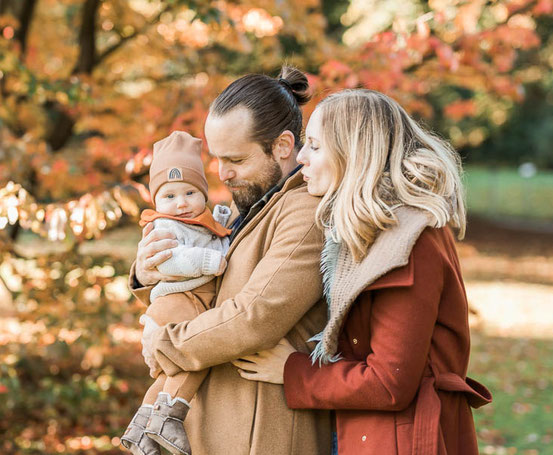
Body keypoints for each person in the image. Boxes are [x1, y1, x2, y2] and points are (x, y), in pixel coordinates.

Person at [231, 89, 492, 454]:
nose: (301, 157)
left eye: (316, 146)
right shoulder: (363, 230)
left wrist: (293, 370)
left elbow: (389, 382)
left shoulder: (410, 241)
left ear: (355, 153)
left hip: (404, 440)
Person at [128, 67, 332, 454]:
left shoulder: (303, 212)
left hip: (265, 431)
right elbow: (210, 290)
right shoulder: (252, 205)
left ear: (283, 146)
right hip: (220, 423)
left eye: (236, 159)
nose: (223, 174)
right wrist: (146, 272)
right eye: (218, 159)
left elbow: (255, 316)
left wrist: (164, 344)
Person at [120, 131, 231, 455]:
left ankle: (142, 426)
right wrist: (207, 260)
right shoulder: (165, 227)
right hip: (176, 303)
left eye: (190, 192)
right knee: (196, 358)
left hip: (186, 304)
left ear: (203, 194)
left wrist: (221, 222)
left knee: (174, 370)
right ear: (156, 201)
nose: (181, 202)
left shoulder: (198, 221)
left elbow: (215, 235)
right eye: (169, 196)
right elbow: (171, 260)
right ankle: (169, 418)